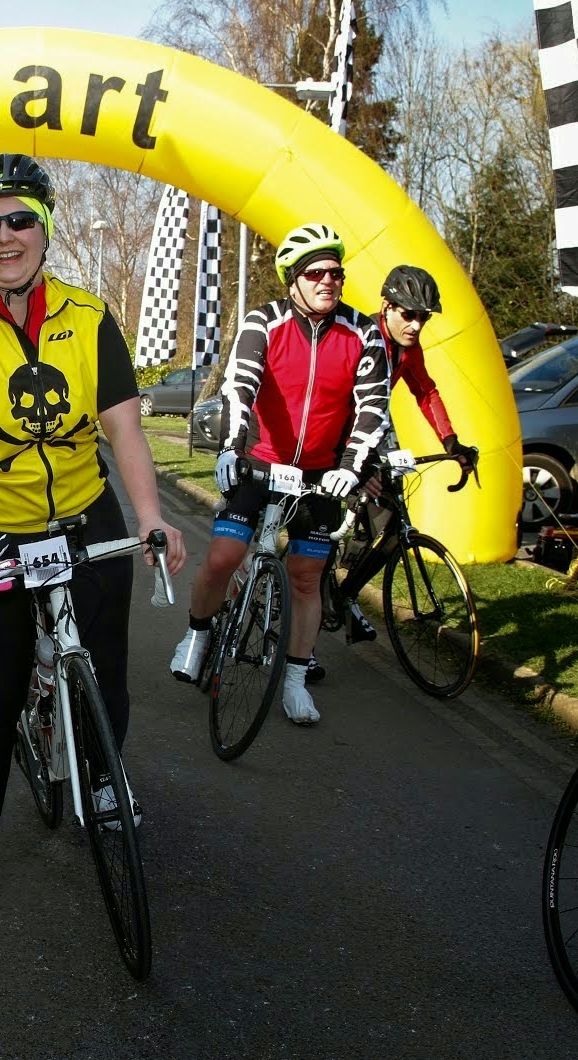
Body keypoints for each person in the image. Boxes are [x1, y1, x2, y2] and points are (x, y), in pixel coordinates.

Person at [0, 153, 187, 902]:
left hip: (84, 518)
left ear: (46, 227)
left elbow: (126, 430)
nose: (5, 237)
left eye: (20, 220)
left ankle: (101, 775)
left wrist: (152, 518)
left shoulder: (91, 317)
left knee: (103, 664)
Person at [167, 222, 389, 726]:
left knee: (306, 578)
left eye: (335, 272)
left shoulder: (363, 332)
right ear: (293, 279)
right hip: (262, 462)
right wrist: (230, 446)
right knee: (224, 556)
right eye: (315, 273)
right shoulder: (263, 323)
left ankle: (293, 680)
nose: (327, 281)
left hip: (321, 473)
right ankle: (198, 633)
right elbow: (239, 387)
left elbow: (374, 406)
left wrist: (352, 469)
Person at [304, 264, 477, 682]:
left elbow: (426, 391)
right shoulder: (364, 338)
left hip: (373, 426)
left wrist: (451, 443)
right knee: (320, 535)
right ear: (387, 307)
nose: (416, 325)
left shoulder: (408, 348)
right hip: (336, 431)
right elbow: (345, 407)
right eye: (408, 314)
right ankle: (307, 633)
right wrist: (359, 468)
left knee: (391, 513)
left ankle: (345, 591)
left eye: (424, 318)